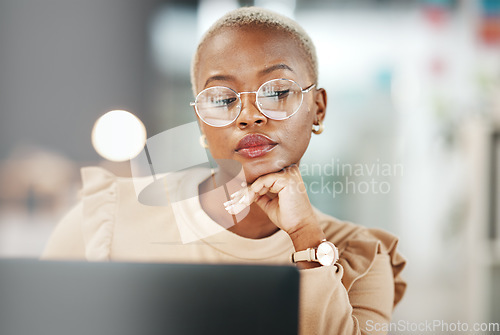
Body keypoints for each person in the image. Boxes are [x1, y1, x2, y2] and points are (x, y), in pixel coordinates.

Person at [42, 6, 406, 335]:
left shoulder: (361, 255)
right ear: (201, 123)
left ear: (319, 109)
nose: (250, 115)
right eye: (222, 99)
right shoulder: (107, 219)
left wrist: (306, 238)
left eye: (277, 92)